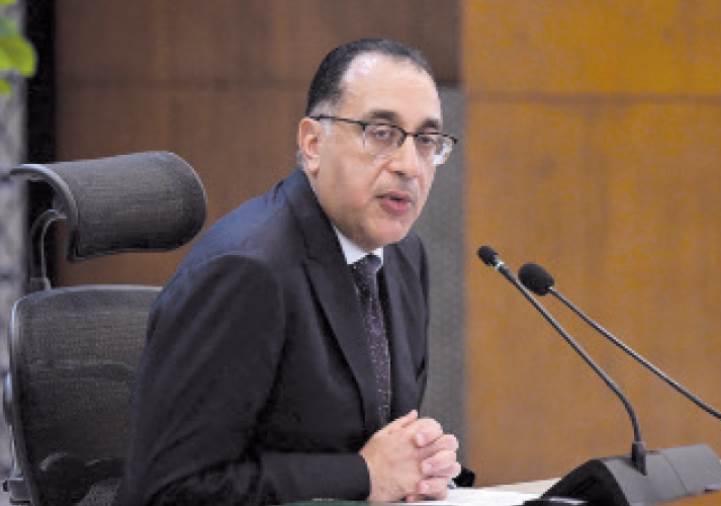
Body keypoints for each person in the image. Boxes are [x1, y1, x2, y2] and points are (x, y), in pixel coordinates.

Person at [116, 38, 466, 506]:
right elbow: (168, 491)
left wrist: (419, 467)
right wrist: (363, 476)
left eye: (426, 141)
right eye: (382, 133)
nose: (409, 166)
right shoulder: (246, 271)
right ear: (313, 144)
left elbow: (371, 443)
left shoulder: (403, 257)